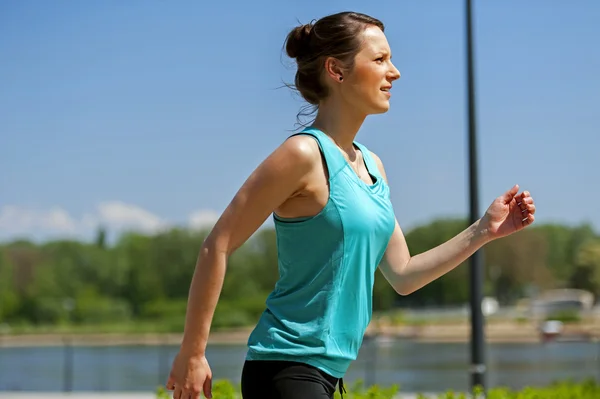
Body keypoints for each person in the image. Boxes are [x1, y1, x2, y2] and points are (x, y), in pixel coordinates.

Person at [165, 11, 536, 399]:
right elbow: (218, 243)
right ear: (336, 71)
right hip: (286, 368)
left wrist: (483, 231)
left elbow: (404, 275)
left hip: (326, 375)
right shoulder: (303, 154)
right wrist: (193, 353)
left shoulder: (372, 167)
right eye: (379, 60)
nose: (394, 72)